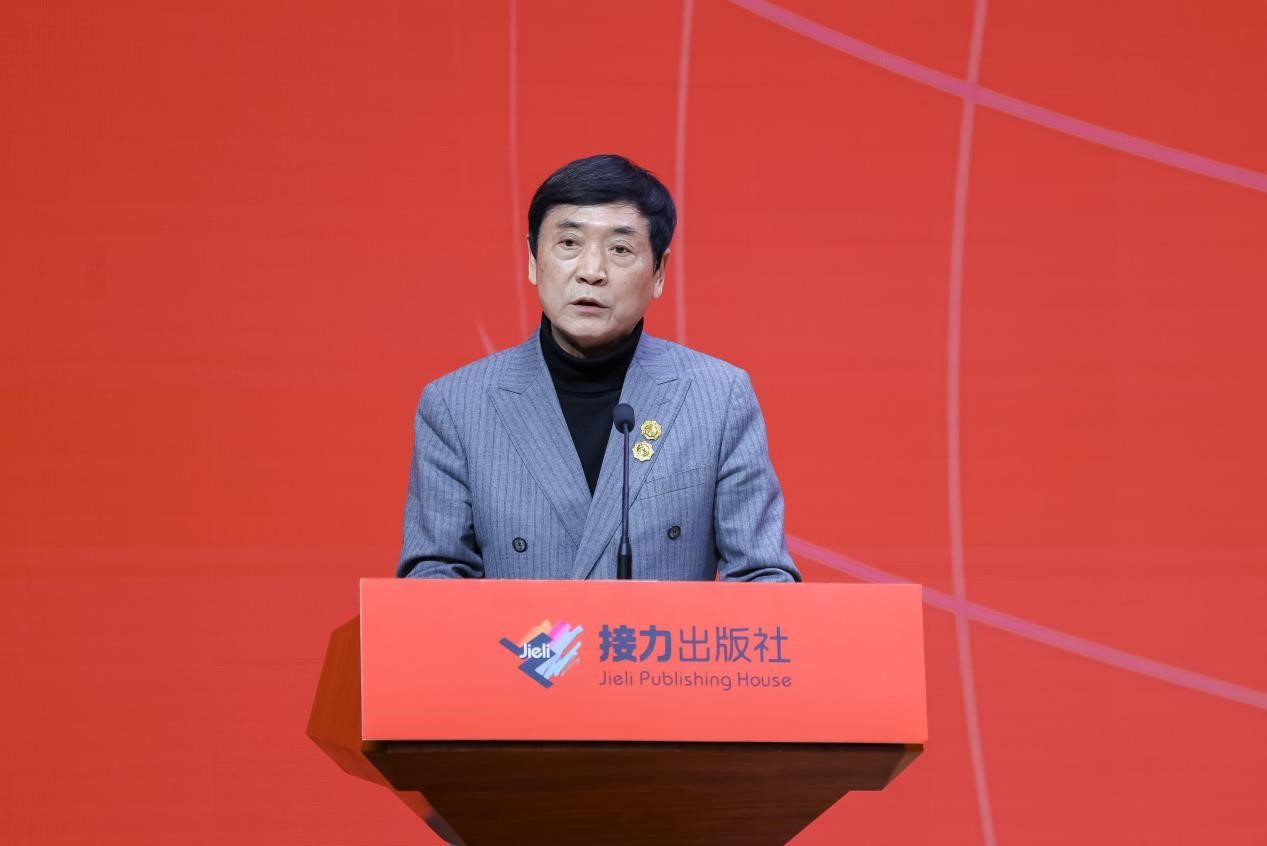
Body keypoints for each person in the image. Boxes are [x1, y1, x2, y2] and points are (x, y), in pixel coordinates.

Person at [398, 154, 800, 582]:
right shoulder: (457, 406)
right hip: (526, 631)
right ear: (533, 259)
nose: (591, 272)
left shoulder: (717, 398)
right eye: (569, 243)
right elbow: (431, 584)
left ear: (659, 272)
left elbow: (763, 580)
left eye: (620, 249)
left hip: (654, 630)